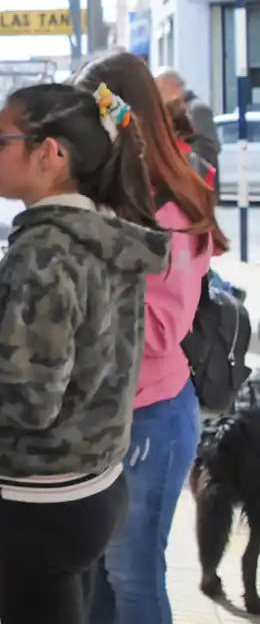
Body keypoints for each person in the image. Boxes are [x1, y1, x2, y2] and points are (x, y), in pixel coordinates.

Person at [0, 83, 170, 624]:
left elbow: (22, 402)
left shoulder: (45, 254)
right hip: (95, 485)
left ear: (51, 153)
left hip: (38, 506)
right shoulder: (105, 234)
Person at [77, 53, 228, 624]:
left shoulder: (166, 208)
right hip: (112, 417)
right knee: (100, 581)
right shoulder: (122, 198)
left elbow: (159, 333)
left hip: (149, 420)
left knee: (133, 578)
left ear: (118, 118)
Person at [155, 68, 220, 169]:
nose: (157, 95)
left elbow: (207, 150)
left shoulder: (197, 109)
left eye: (160, 89)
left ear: (174, 87)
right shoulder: (171, 111)